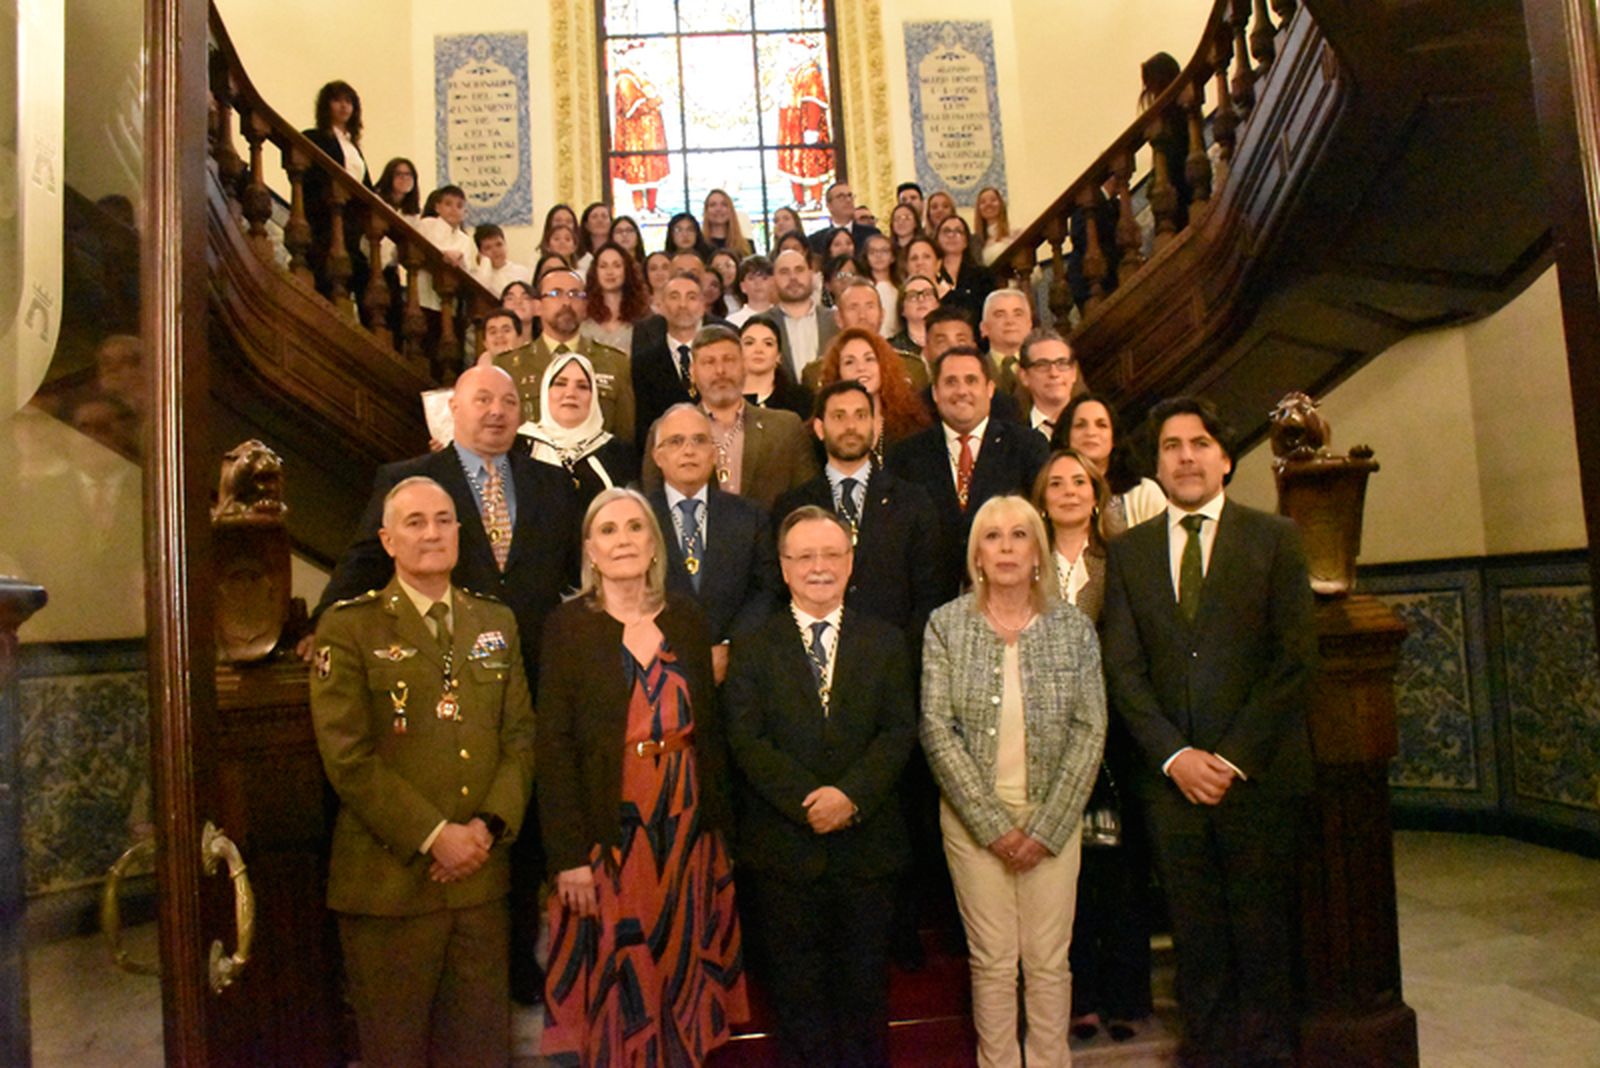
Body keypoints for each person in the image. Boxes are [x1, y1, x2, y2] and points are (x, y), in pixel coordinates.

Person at [1101, 396, 1318, 1068]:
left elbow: (1293, 661)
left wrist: (1229, 758)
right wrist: (1175, 757)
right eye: (1171, 446)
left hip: (1257, 778)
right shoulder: (1130, 552)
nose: (1185, 456)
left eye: (1198, 443)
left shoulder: (1273, 537)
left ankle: (1268, 1056)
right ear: (1157, 463)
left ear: (1225, 458)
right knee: (1197, 941)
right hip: (1171, 786)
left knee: (1262, 935)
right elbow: (1124, 671)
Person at [310, 475, 536, 1068]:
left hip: (481, 884)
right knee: (397, 1053)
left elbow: (519, 740)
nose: (432, 533)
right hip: (389, 890)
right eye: (415, 523)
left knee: (483, 1052)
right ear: (387, 540)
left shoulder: (496, 622)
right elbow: (348, 758)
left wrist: (485, 829)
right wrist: (438, 836)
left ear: (461, 533)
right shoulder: (349, 626)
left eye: (443, 520)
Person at [537, 488, 748, 1063]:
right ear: (590, 549)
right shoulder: (567, 626)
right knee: (619, 981)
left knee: (683, 975)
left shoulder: (686, 616)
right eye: (608, 531)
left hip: (687, 827)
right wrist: (567, 856)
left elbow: (712, 727)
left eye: (635, 528)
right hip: (610, 832)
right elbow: (552, 746)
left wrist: (720, 832)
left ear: (655, 544)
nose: (623, 540)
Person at [723, 506, 918, 1068]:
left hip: (867, 850)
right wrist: (807, 803)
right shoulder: (754, 645)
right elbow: (746, 738)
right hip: (785, 851)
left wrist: (849, 798)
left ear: (851, 562)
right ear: (783, 568)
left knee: (864, 998)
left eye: (831, 554)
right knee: (798, 1000)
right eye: (804, 556)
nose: (818, 566)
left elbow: (898, 730)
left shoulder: (884, 640)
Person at [921, 493, 1107, 1068]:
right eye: (993, 537)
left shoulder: (1073, 628)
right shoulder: (947, 625)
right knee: (994, 962)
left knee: (1049, 960)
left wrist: (1047, 826)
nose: (1006, 548)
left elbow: (1090, 728)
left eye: (1019, 536)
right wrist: (993, 825)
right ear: (976, 553)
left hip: (1054, 817)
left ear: (1038, 552)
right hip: (975, 825)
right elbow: (936, 728)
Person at [1031, 448, 1156, 1044]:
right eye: (1056, 483)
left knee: (1120, 871)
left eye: (1078, 481)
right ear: (1042, 497)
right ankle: (1079, 998)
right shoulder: (1028, 563)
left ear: (1096, 492)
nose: (1068, 491)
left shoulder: (1123, 558)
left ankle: (1126, 995)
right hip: (1049, 737)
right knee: (1067, 876)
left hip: (1117, 735)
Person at [775, 379, 940, 639]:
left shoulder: (913, 501)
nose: (851, 426)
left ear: (876, 426)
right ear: (819, 428)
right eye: (839, 416)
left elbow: (929, 592)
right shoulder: (791, 505)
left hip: (893, 657)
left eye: (860, 416)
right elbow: (779, 593)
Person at [887, 346, 1048, 602]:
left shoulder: (1027, 446)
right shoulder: (905, 455)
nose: (962, 391)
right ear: (936, 394)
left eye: (971, 381)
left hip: (1013, 597)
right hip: (929, 604)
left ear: (990, 389)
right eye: (951, 382)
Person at [646, 403, 781, 681]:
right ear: (658, 456)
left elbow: (766, 590)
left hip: (737, 675)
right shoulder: (639, 519)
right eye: (676, 441)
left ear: (714, 453)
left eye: (699, 440)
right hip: (657, 674)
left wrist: (731, 646)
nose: (689, 450)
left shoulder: (750, 516)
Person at [642, 324, 819, 511]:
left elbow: (807, 501)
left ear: (744, 365)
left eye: (729, 360)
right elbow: (655, 507)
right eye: (709, 362)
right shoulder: (667, 430)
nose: (720, 371)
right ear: (692, 372)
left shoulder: (786, 427)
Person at [492, 265, 635, 443]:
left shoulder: (615, 363)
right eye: (555, 294)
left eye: (575, 294)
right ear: (537, 307)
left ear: (585, 307)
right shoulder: (508, 367)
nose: (566, 302)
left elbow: (626, 439)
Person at [524, 351, 640, 519]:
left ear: (593, 397)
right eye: (560, 384)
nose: (570, 393)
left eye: (582, 386)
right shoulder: (521, 447)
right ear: (545, 391)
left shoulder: (619, 454)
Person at [1051, 392, 1169, 533]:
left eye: (1101, 425)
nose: (1091, 432)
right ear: (1066, 437)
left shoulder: (1144, 493)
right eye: (1080, 425)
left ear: (1114, 438)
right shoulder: (1049, 493)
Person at [299, 80, 372, 303]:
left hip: (351, 221)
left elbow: (365, 185)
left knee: (359, 273)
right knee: (328, 273)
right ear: (326, 105)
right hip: (326, 218)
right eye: (338, 100)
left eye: (349, 102)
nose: (344, 106)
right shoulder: (315, 137)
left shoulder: (353, 146)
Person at [813, 327, 931, 458]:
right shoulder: (824, 430)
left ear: (883, 367)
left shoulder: (911, 422)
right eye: (849, 362)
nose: (861, 368)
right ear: (837, 373)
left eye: (869, 359)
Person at [631, 271, 713, 447]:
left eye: (691, 297)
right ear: (660, 305)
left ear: (703, 305)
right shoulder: (643, 363)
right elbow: (642, 427)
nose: (682, 305)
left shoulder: (718, 360)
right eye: (674, 297)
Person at [772, 247, 837, 383]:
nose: (793, 277)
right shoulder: (762, 324)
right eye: (784, 272)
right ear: (773, 279)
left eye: (799, 270)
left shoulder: (835, 321)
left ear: (811, 274)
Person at [778, 56, 835, 208]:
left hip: (805, 128)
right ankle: (799, 200)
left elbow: (814, 101)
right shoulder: (792, 72)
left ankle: (816, 200)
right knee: (793, 165)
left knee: (812, 165)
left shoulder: (810, 73)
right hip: (791, 128)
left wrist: (812, 128)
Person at [582, 240, 650, 354]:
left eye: (617, 266)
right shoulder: (583, 316)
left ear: (626, 270)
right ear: (595, 271)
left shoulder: (644, 316)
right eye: (603, 266)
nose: (610, 272)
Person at [739, 314, 812, 419]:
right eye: (749, 343)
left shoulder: (801, 400)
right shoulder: (725, 398)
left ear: (778, 356)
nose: (758, 350)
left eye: (768, 343)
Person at [1016, 328, 1079, 440]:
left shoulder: (1096, 431)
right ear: (1024, 376)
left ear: (1074, 372)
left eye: (1062, 363)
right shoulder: (1014, 439)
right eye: (1042, 365)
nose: (1054, 373)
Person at [934, 214, 995, 323]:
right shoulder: (931, 274)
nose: (951, 235)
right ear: (937, 239)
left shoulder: (983, 276)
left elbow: (983, 312)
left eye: (958, 231)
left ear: (966, 241)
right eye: (946, 231)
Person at [979, 288, 1035, 403]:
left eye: (1018, 314)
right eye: (1000, 315)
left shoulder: (1047, 367)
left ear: (1030, 325)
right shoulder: (975, 369)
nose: (1010, 321)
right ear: (984, 328)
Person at [808, 181, 878, 256]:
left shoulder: (871, 234)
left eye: (850, 196)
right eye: (841, 197)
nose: (848, 200)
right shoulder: (815, 240)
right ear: (829, 206)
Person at [858, 231, 902, 338]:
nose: (878, 256)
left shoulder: (899, 289)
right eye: (872, 252)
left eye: (884, 251)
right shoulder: (860, 288)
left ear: (893, 257)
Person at [472, 223, 532, 299]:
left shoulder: (522, 272)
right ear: (480, 253)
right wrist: (485, 264)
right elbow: (480, 294)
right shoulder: (476, 277)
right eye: (488, 248)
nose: (495, 251)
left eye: (499, 244)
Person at [889, 274, 938, 356]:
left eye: (928, 294)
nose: (921, 299)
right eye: (912, 296)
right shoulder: (891, 348)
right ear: (902, 309)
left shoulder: (948, 343)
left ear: (937, 304)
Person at [726, 254, 776, 327]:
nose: (758, 283)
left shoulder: (782, 319)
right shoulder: (732, 322)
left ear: (773, 283)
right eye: (751, 278)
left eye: (764, 278)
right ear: (743, 287)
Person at [703, 188, 754, 258]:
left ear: (731, 210)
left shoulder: (746, 246)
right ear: (706, 211)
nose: (718, 209)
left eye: (724, 205)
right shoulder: (699, 245)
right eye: (713, 205)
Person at [975, 186, 1013, 266]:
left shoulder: (1014, 232)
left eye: (993, 200)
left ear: (1001, 204)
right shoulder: (975, 242)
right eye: (983, 202)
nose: (988, 204)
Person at [500, 280, 538, 347]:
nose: (518, 302)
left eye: (526, 298)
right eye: (510, 298)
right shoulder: (493, 354)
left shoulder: (548, 348)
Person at [576, 200, 611, 271]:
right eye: (594, 217)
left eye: (604, 216)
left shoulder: (617, 252)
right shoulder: (578, 254)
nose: (600, 220)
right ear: (586, 225)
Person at [710, 249, 743, 314]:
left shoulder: (747, 296)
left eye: (728, 266)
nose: (723, 271)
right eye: (718, 267)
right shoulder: (709, 301)